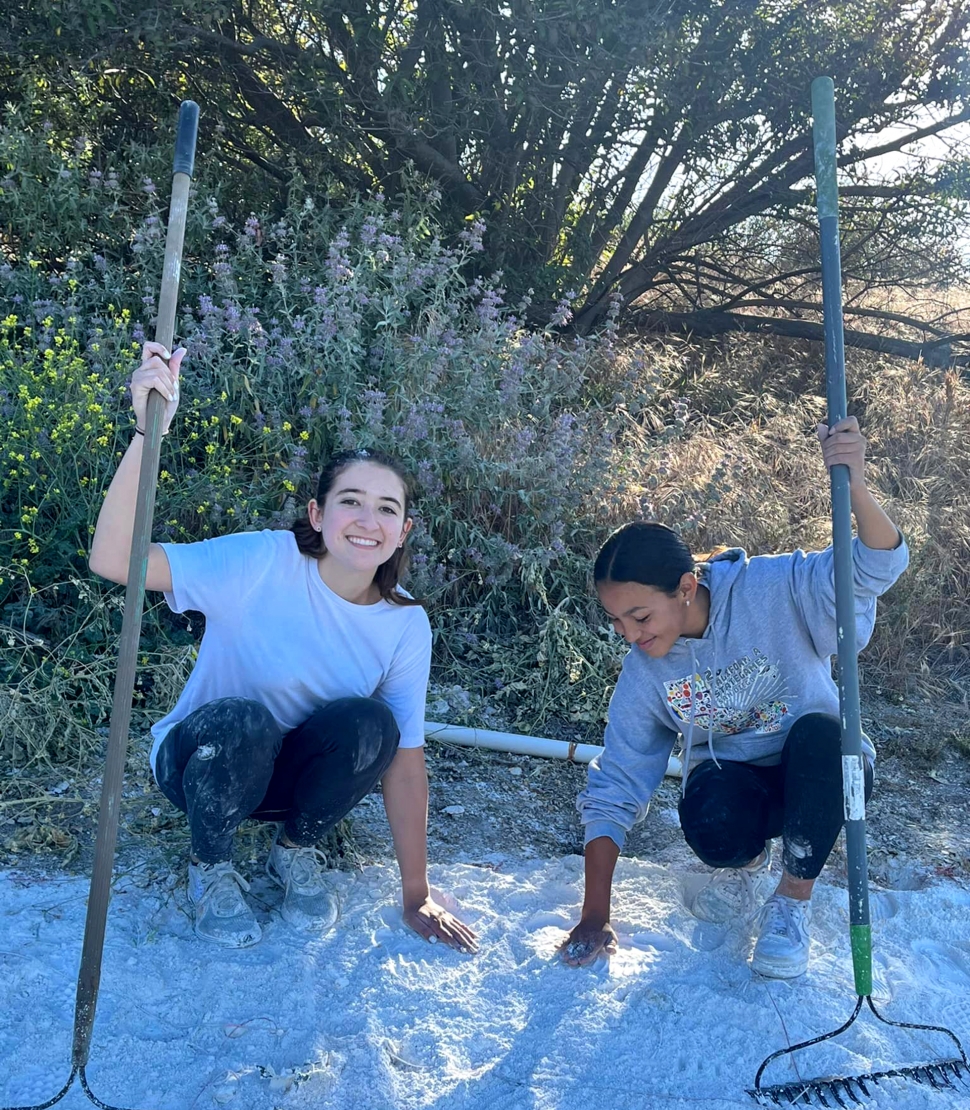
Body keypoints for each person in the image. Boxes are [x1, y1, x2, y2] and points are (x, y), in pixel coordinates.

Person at [89, 342, 478, 955]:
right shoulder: (263, 561)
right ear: (317, 514)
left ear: (403, 531)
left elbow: (403, 759)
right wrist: (147, 430)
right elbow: (115, 561)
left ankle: (294, 851)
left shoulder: (404, 622)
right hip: (203, 764)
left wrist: (416, 891)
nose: (366, 520)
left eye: (386, 509)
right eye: (350, 500)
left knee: (372, 723)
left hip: (289, 783)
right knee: (246, 720)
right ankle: (210, 866)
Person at [561, 416, 908, 979]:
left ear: (687, 587)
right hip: (736, 781)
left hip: (817, 770)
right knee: (711, 821)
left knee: (829, 740)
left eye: (640, 615)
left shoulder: (775, 587)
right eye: (617, 620)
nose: (629, 633)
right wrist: (595, 914)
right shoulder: (646, 670)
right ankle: (750, 862)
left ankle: (792, 900)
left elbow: (875, 566)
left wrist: (857, 484)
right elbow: (617, 780)